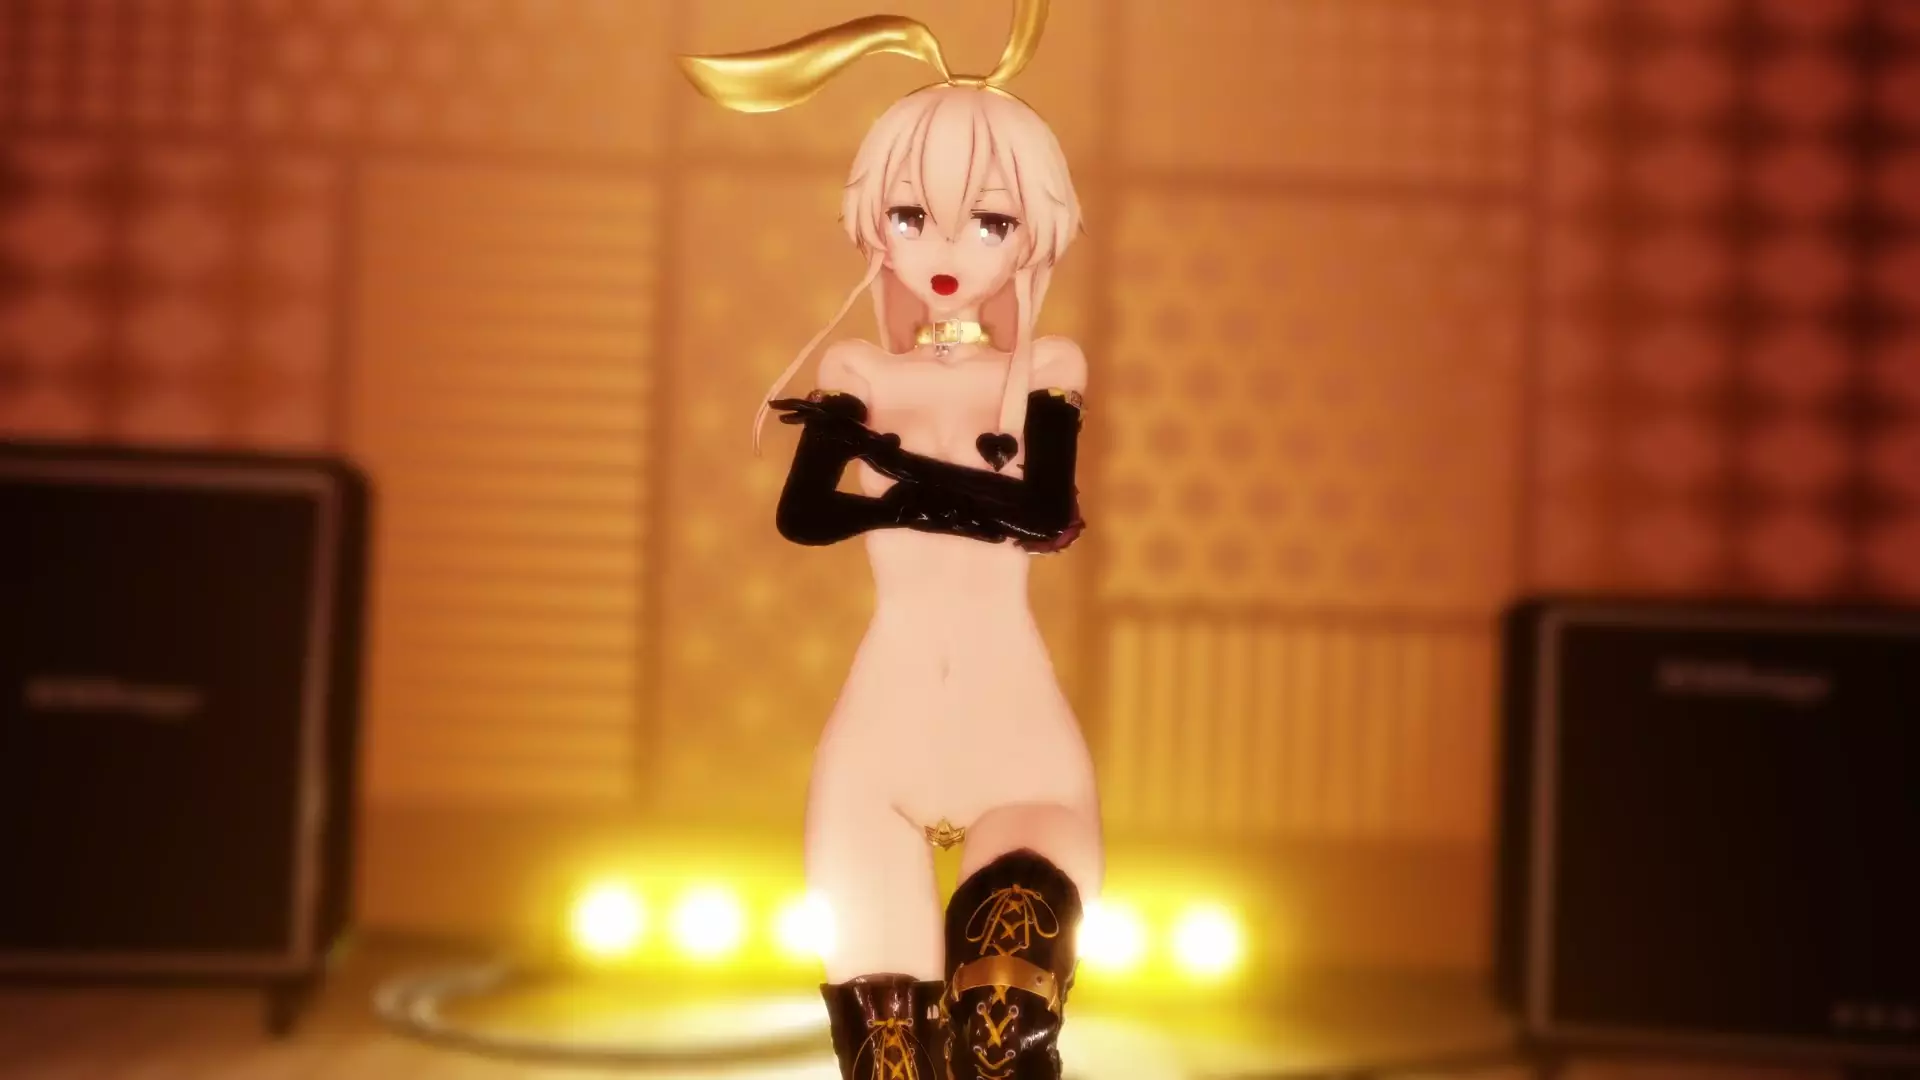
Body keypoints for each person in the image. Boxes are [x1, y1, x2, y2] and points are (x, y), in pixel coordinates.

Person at [681, 4, 1099, 1076]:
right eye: (912, 216)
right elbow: (805, 516)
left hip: (1019, 743)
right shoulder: (859, 373)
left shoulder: (1047, 368)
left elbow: (1044, 515)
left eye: (990, 222)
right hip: (878, 745)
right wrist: (903, 482)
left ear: (1035, 229)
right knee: (887, 1059)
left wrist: (894, 467)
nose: (946, 252)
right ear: (875, 222)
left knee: (1003, 1035)